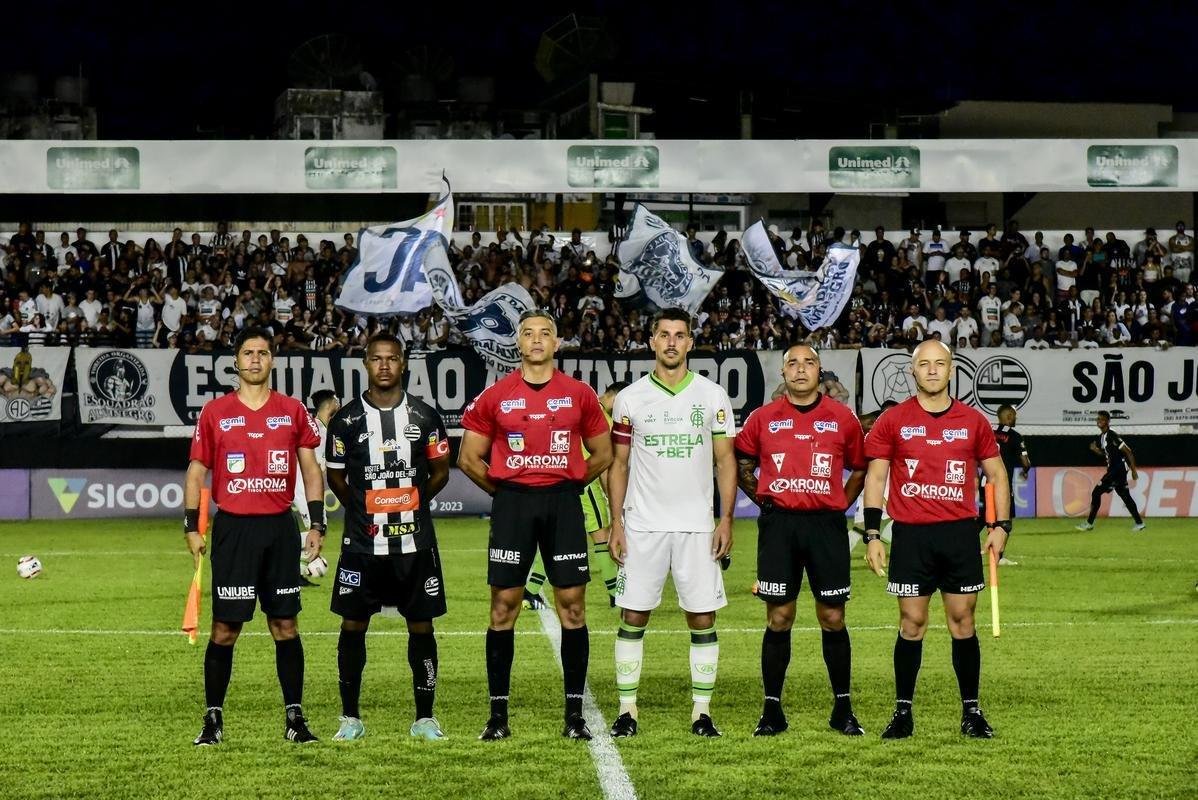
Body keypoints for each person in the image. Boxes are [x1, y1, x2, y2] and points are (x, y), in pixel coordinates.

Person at [458, 310, 613, 741]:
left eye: (545, 333)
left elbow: (602, 453)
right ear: (518, 344)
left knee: (573, 608)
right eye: (528, 333)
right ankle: (497, 717)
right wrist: (505, 492)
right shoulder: (496, 395)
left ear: (557, 342)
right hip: (513, 506)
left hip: (563, 504)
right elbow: (468, 458)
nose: (537, 339)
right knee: (503, 607)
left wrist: (569, 483)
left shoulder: (579, 394)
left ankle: (575, 716)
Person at [184, 326, 326, 746]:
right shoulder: (215, 412)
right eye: (248, 353)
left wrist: (315, 524)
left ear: (272, 360)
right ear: (236, 361)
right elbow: (196, 473)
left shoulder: (293, 410)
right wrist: (192, 526)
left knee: (285, 624)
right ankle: (212, 720)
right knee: (225, 628)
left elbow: (311, 469)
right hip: (234, 529)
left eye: (263, 353)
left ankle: (295, 719)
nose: (255, 360)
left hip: (279, 528)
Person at [862, 339, 1009, 740]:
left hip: (959, 534)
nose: (931, 370)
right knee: (912, 623)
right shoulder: (893, 421)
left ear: (951, 369)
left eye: (939, 364)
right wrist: (873, 533)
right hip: (911, 536)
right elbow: (875, 477)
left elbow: (997, 475)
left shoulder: (973, 421)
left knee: (963, 622)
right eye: (923, 364)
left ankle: (972, 713)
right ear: (912, 370)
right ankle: (902, 713)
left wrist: (1001, 527)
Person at [606, 308, 736, 738]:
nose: (672, 342)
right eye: (664, 335)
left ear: (690, 342)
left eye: (680, 335)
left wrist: (726, 519)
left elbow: (724, 460)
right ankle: (628, 711)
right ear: (652, 341)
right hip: (643, 526)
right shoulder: (630, 399)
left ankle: (702, 713)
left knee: (701, 619)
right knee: (633, 615)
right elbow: (619, 464)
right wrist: (617, 524)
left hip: (698, 527)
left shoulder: (712, 396)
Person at [324, 333, 452, 742]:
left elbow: (440, 473)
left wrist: (412, 504)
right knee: (353, 625)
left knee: (421, 627)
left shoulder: (425, 417)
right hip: (363, 546)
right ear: (366, 363)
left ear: (403, 364)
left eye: (391, 359)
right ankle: (350, 718)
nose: (384, 366)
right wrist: (366, 510)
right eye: (377, 359)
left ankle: (425, 718)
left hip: (414, 544)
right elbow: (336, 478)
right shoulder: (345, 421)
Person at [734, 344, 867, 737]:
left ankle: (843, 709)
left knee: (833, 617)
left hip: (826, 527)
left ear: (819, 371)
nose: (800, 369)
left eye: (808, 362)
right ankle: (772, 711)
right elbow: (742, 462)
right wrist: (764, 499)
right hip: (780, 527)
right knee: (779, 618)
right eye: (792, 363)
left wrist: (841, 502)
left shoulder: (843, 419)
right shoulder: (763, 418)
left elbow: (861, 467)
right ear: (783, 373)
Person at [524, 381, 628, 610]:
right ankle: (615, 594)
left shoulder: (580, 405)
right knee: (602, 535)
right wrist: (612, 500)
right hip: (583, 484)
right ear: (616, 397)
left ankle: (530, 591)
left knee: (555, 540)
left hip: (558, 480)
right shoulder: (602, 418)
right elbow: (603, 463)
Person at [294, 389, 340, 585]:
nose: (339, 403)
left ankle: (299, 569)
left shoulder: (320, 427)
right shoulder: (317, 430)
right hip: (302, 484)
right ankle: (291, 563)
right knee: (317, 528)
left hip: (302, 483)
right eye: (336, 400)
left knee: (319, 529)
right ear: (330, 404)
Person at [1075, 411, 1145, 532]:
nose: (1098, 421)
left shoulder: (1112, 435)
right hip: (1116, 471)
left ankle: (1089, 523)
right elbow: (1106, 454)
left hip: (1116, 470)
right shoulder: (1102, 437)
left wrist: (1134, 470)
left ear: (1107, 422)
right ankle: (1140, 524)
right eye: (1098, 419)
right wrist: (1096, 450)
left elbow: (1128, 451)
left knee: (1096, 493)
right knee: (1125, 496)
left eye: (1101, 419)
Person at [992, 405, 1031, 565]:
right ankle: (999, 557)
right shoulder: (1015, 436)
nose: (1015, 419)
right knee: (1005, 519)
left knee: (981, 519)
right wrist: (1025, 470)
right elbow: (1025, 462)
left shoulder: (989, 432)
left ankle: (961, 551)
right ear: (1008, 416)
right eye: (1014, 416)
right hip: (1003, 484)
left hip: (985, 482)